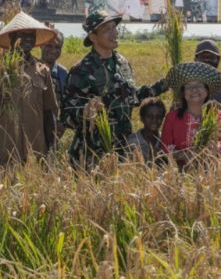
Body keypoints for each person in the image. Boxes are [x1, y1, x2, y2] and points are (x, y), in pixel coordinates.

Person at [61, 11, 166, 167]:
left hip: (123, 149)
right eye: (107, 30)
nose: (114, 32)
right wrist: (91, 110)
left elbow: (132, 97)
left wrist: (163, 85)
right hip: (92, 154)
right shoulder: (81, 70)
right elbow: (67, 114)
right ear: (93, 37)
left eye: (114, 27)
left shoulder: (122, 63)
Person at [0, 12, 59, 166]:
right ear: (12, 38)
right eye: (22, 34)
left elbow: (49, 113)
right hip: (1, 153)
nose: (27, 39)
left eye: (31, 35)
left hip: (34, 153)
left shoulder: (42, 70)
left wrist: (52, 149)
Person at [159, 61, 221, 168]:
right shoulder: (172, 117)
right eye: (188, 87)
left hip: (211, 174)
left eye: (199, 86)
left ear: (207, 91)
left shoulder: (218, 116)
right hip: (179, 174)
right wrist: (182, 155)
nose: (194, 90)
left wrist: (209, 151)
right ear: (183, 93)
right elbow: (165, 146)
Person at [193, 39, 221, 111]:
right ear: (195, 60)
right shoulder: (187, 86)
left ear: (218, 60)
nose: (207, 61)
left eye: (211, 57)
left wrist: (219, 111)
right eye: (203, 57)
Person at [40, 25, 69, 108]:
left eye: (57, 47)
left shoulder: (63, 73)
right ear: (41, 45)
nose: (53, 50)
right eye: (49, 46)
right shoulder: (32, 69)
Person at [132, 98, 167, 164]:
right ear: (142, 118)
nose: (154, 120)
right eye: (149, 116)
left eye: (158, 116)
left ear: (163, 118)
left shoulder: (165, 140)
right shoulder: (133, 141)